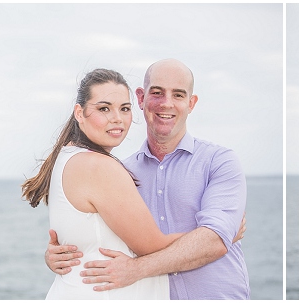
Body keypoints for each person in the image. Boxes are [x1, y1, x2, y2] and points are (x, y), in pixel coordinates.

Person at [44, 59, 251, 299]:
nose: (167, 103)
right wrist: (60, 253)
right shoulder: (121, 171)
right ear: (141, 99)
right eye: (157, 93)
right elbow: (91, 229)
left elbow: (214, 242)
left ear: (191, 103)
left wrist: (216, 238)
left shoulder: (220, 161)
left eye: (179, 95)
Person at [22, 68, 181, 299]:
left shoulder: (69, 157)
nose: (117, 118)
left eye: (124, 109)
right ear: (80, 112)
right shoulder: (97, 166)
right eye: (104, 108)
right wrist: (217, 234)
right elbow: (154, 247)